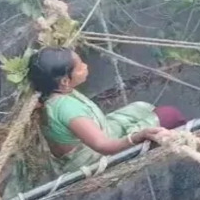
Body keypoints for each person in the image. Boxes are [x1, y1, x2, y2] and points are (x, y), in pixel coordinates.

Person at [25, 46, 188, 175]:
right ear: (65, 81)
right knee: (169, 114)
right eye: (80, 67)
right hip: (92, 157)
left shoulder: (49, 92)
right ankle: (183, 149)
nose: (86, 66)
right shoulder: (68, 109)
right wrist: (138, 136)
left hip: (88, 142)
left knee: (141, 108)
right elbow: (103, 146)